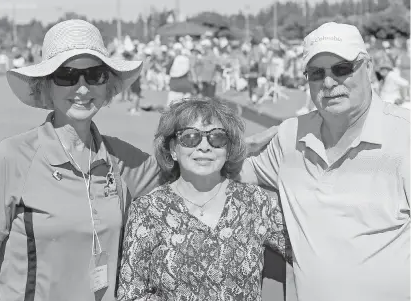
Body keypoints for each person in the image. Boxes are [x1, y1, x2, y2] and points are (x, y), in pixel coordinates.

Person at [0, 19, 161, 301]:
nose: (82, 88)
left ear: (108, 85)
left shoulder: (123, 158)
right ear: (46, 86)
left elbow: (195, 177)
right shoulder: (13, 156)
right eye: (67, 75)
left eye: (95, 75)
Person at [238, 22, 410, 301]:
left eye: (342, 69)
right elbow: (212, 172)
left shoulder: (405, 136)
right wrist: (239, 146)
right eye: (317, 73)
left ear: (367, 69)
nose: (329, 83)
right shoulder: (290, 136)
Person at [117, 98, 291, 300]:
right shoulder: (148, 210)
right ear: (173, 149)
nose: (204, 146)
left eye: (217, 138)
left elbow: (308, 248)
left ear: (228, 148)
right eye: (190, 137)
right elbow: (130, 294)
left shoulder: (254, 202)